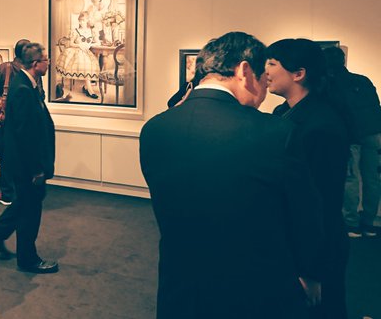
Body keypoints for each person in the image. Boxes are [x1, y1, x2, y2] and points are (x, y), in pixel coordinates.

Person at [139, 31, 324, 319]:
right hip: (254, 288)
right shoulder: (276, 132)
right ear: (244, 71)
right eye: (263, 80)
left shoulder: (154, 128)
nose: (263, 93)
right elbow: (304, 214)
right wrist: (310, 272)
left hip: (181, 282)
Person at [266, 38, 350, 319]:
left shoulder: (322, 125)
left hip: (316, 248)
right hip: (293, 239)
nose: (265, 71)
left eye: (272, 63)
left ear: (298, 74)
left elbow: (323, 202)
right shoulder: (283, 113)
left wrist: (312, 270)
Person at [0, 43, 58, 274]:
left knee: (24, 204)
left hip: (24, 163)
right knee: (30, 211)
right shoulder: (22, 88)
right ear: (36, 63)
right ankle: (28, 259)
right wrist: (37, 169)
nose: (48, 63)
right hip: (27, 166)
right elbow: (25, 134)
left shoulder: (27, 84)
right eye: (46, 60)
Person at [323, 45, 381, 238]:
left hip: (350, 136)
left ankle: (351, 224)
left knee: (351, 179)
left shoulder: (329, 84)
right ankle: (369, 223)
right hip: (374, 133)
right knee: (372, 179)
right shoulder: (362, 80)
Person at [0, 38, 39, 207]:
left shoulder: (4, 68)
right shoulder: (33, 71)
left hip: (7, 120)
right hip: (27, 121)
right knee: (25, 155)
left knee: (7, 156)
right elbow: (40, 96)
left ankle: (7, 193)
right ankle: (23, 192)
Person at [54, 11, 101, 99]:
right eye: (80, 20)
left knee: (90, 64)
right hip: (76, 52)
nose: (81, 22)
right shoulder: (75, 31)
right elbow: (71, 43)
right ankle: (90, 90)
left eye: (83, 20)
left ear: (87, 20)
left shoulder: (92, 31)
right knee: (86, 64)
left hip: (87, 52)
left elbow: (98, 42)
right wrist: (79, 45)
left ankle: (86, 87)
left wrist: (89, 45)